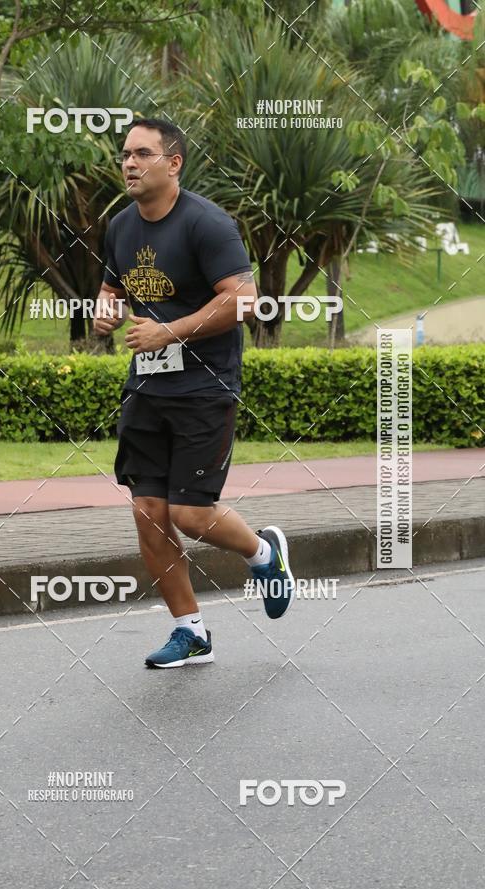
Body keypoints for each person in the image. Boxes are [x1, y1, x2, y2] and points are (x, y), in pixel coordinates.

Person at [93, 118, 294, 669]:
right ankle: (191, 632)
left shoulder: (208, 224)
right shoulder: (120, 228)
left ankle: (264, 553)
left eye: (142, 154)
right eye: (125, 154)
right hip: (147, 389)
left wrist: (168, 331)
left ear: (173, 163)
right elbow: (112, 286)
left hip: (205, 388)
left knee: (189, 513)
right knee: (149, 511)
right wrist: (106, 311)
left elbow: (244, 301)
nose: (129, 164)